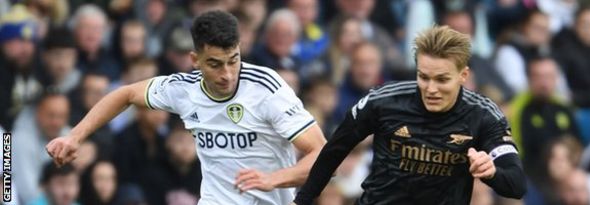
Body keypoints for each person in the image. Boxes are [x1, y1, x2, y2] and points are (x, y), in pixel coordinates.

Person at [46, 10, 326, 204]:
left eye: (233, 60)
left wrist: (273, 179)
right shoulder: (183, 89)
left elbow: (323, 154)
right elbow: (125, 94)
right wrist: (75, 136)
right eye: (215, 64)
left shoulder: (266, 87)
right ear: (195, 60)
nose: (227, 74)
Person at [293, 25, 526, 205]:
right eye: (423, 77)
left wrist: (492, 172)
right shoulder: (382, 102)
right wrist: (301, 201)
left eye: (442, 79)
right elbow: (334, 150)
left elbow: (516, 185)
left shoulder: (484, 115)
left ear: (463, 75)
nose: (431, 88)